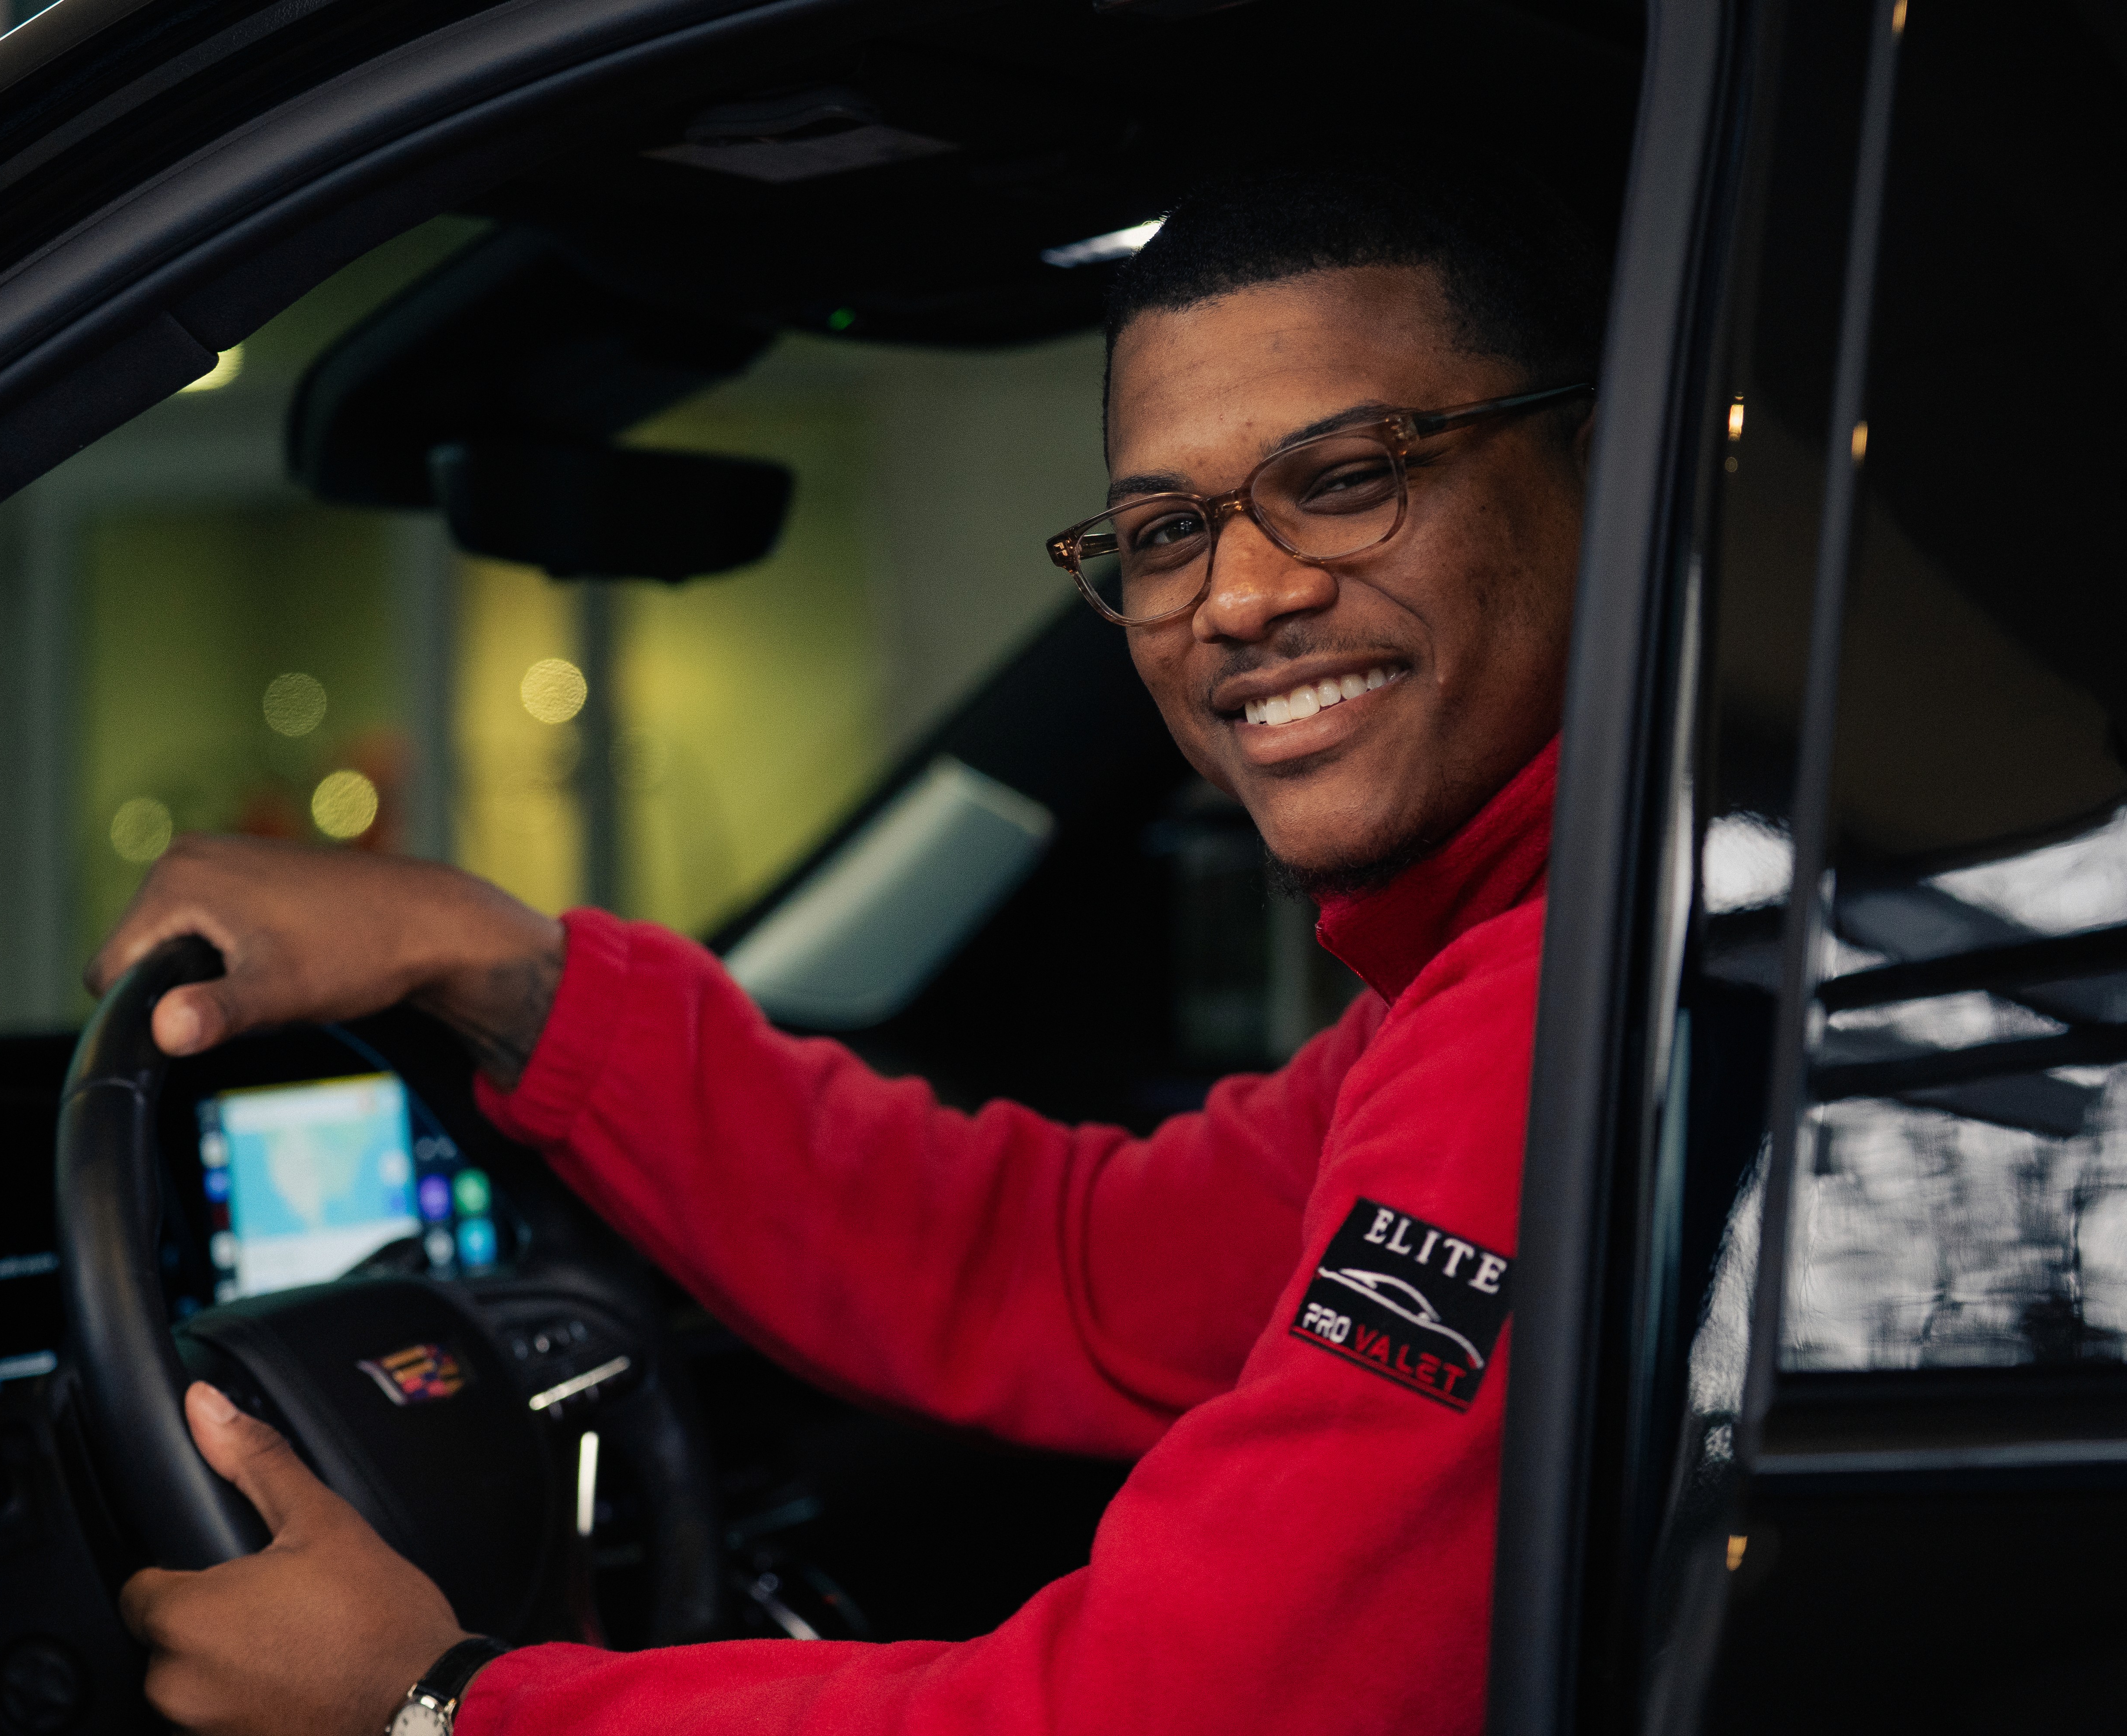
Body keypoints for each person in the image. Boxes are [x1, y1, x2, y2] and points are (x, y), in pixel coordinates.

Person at [95, 160, 1604, 1735]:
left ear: (1606, 466)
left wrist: (437, 1707)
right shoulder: (1513, 968)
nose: (1242, 595)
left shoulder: (1542, 1019)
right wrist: (500, 966)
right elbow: (1073, 1269)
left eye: (1350, 475)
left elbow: (1164, 1712)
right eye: (1164, 532)